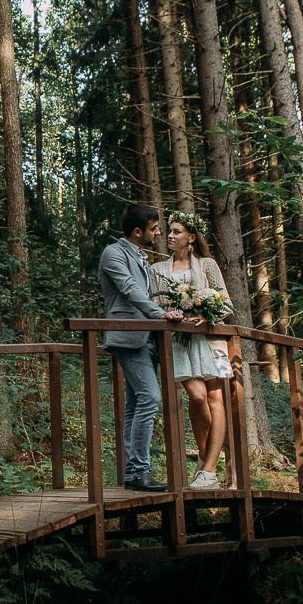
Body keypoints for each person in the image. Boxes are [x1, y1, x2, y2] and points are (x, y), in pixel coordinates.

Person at [99, 204, 184, 492]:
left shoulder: (142, 258)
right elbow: (129, 289)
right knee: (150, 398)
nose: (158, 232)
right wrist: (159, 314)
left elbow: (148, 293)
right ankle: (138, 471)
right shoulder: (113, 253)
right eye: (154, 228)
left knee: (136, 404)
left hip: (148, 339)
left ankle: (133, 473)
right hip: (127, 336)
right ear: (138, 231)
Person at [151, 212, 234, 490]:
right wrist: (168, 314)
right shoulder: (157, 270)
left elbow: (226, 303)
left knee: (215, 399)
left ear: (191, 238)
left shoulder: (207, 265)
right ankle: (205, 457)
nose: (170, 236)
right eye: (169, 232)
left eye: (176, 232)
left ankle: (208, 471)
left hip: (209, 339)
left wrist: (208, 313)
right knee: (196, 396)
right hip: (178, 342)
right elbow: (155, 306)